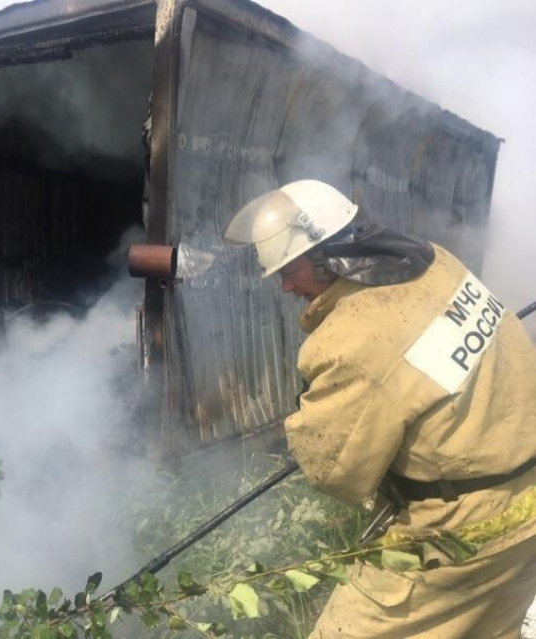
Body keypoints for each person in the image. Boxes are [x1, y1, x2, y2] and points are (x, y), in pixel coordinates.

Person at [223, 179, 536, 638]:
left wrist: (311, 413)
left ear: (327, 258)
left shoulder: (350, 340)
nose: (287, 286)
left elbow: (335, 472)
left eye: (290, 270)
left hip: (465, 531)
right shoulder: (435, 260)